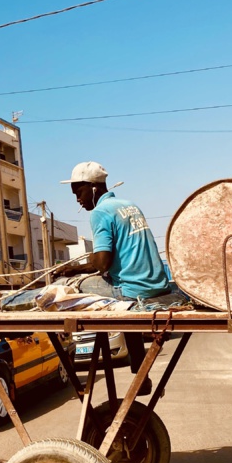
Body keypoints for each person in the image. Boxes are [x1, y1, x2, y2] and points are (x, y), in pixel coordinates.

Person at [61, 161, 172, 394]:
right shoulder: (129, 205)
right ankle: (141, 375)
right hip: (156, 284)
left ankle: (5, 300)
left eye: (78, 192)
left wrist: (73, 270)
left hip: (131, 288)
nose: (77, 200)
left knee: (68, 286)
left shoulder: (101, 212)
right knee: (124, 302)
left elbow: (102, 263)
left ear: (92, 188)